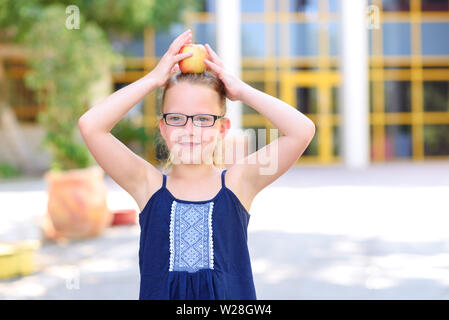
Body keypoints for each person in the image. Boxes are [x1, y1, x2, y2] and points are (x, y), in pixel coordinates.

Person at [78, 29, 315, 300]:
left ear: (223, 128)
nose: (190, 130)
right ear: (163, 128)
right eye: (177, 118)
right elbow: (91, 126)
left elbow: (302, 130)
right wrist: (153, 80)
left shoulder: (240, 183)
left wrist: (241, 90)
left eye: (203, 119)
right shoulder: (147, 185)